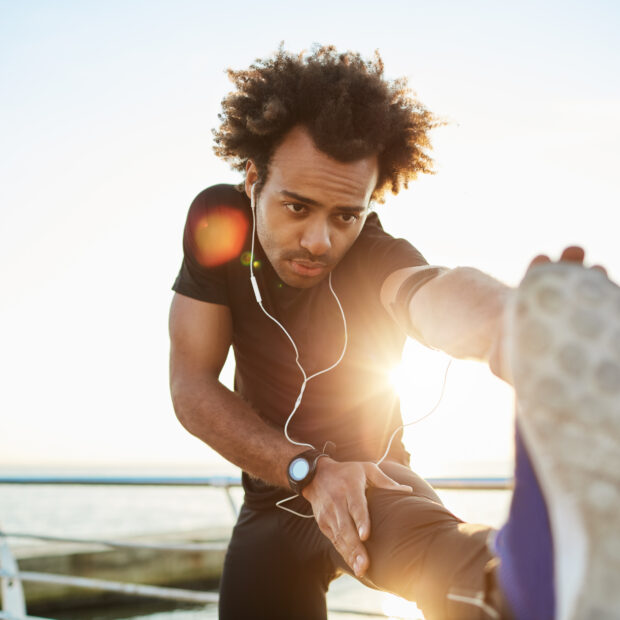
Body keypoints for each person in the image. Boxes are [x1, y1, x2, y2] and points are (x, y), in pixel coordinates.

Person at [168, 45, 620, 619]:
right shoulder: (219, 224)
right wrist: (306, 470)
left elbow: (428, 291)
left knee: (463, 573)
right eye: (297, 206)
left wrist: (518, 326)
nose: (320, 242)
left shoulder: (376, 255)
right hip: (271, 500)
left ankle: (527, 582)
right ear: (253, 178)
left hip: (374, 482)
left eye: (344, 215)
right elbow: (191, 385)